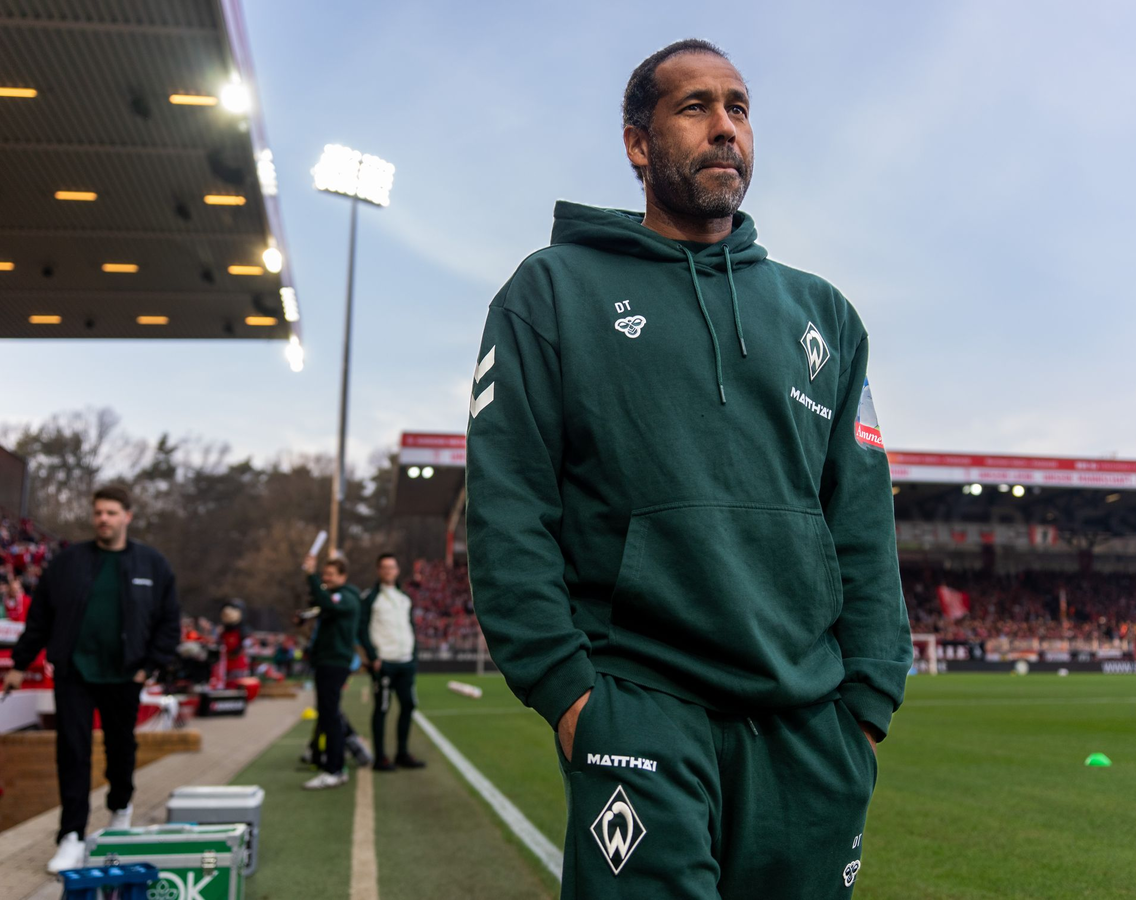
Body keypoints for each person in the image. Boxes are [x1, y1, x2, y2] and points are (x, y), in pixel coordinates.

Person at [465, 39, 911, 898]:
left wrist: (866, 707)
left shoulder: (824, 316)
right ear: (638, 144)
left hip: (811, 730)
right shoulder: (551, 292)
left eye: (738, 108)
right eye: (695, 107)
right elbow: (509, 508)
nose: (724, 128)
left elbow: (861, 519)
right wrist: (571, 696)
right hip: (641, 706)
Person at [4, 486, 180, 873]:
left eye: (111, 512)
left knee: (121, 748)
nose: (104, 519)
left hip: (125, 673)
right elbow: (40, 618)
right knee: (72, 750)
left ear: (127, 516)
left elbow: (169, 621)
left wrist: (149, 666)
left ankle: (120, 810)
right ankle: (71, 834)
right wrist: (19, 663)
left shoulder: (152, 564)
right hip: (74, 671)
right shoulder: (68, 562)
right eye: (99, 512)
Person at [358, 553, 425, 771]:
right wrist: (373, 656)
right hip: (384, 662)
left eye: (392, 567)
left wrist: (414, 654)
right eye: (384, 567)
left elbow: (409, 626)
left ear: (397, 570)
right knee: (382, 708)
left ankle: (402, 753)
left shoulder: (404, 597)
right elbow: (362, 629)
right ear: (379, 570)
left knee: (408, 705)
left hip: (406, 661)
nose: (388, 571)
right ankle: (380, 758)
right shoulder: (370, 597)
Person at [299, 555, 361, 790]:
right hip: (326, 660)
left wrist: (311, 575)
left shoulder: (346, 597)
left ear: (343, 576)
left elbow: (327, 603)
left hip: (334, 662)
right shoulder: (335, 597)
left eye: (330, 574)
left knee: (330, 715)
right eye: (324, 574)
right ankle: (335, 766)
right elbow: (321, 604)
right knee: (328, 715)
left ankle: (334, 769)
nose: (326, 578)